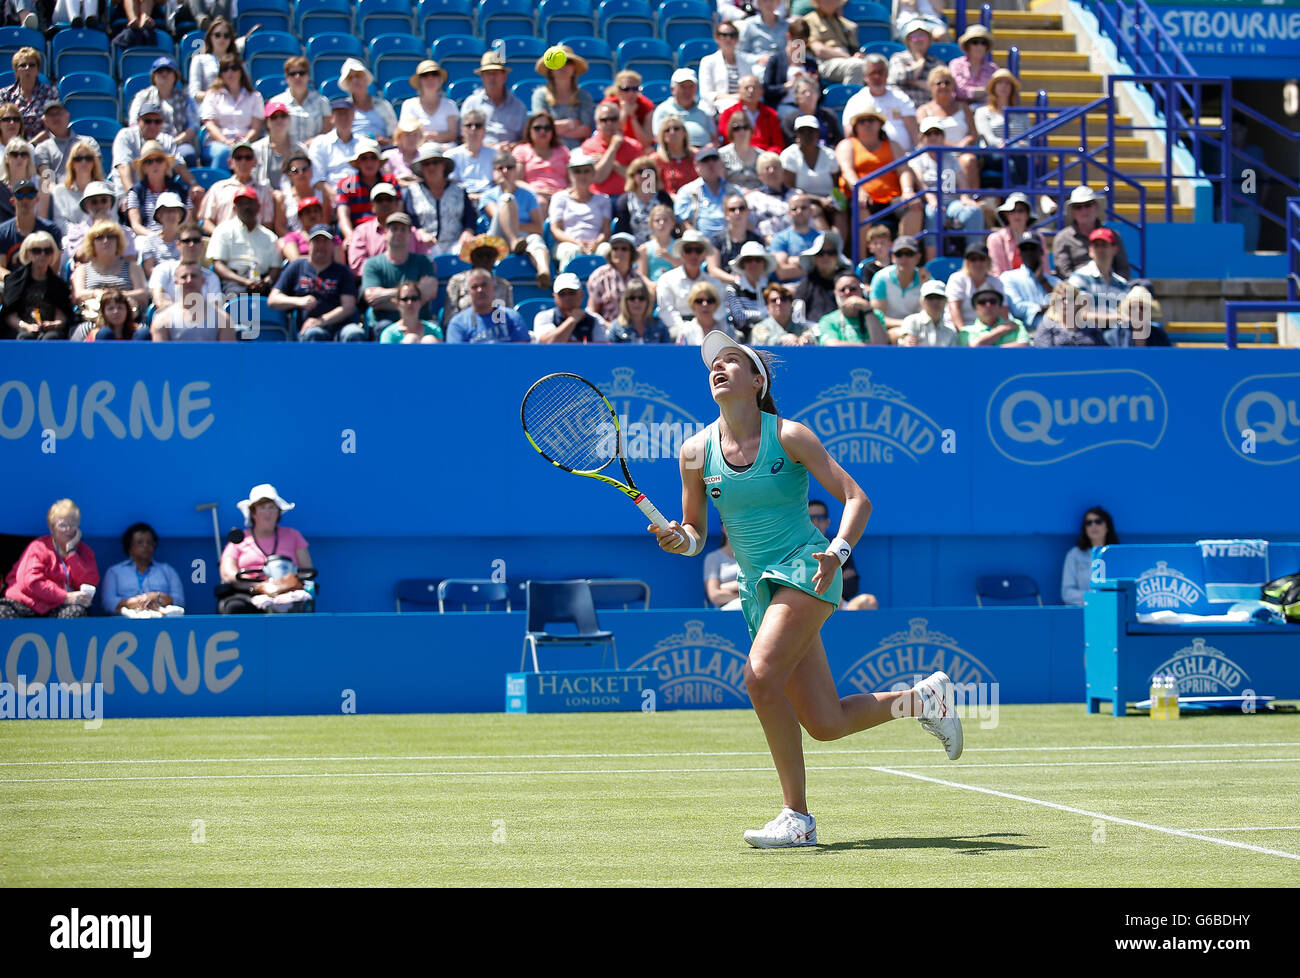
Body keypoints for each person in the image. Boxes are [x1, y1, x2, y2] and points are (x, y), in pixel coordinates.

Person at [650, 331, 961, 847]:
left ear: (756, 381)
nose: (719, 368)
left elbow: (857, 498)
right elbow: (694, 534)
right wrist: (676, 541)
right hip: (757, 590)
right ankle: (925, 699)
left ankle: (797, 818)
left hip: (805, 569)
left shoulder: (791, 435)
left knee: (759, 677)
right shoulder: (693, 452)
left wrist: (837, 552)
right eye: (713, 365)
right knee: (825, 721)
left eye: (732, 361)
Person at [836, 101, 921, 254]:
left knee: (914, 206)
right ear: (856, 126)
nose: (867, 124)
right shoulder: (847, 145)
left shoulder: (893, 146)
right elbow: (847, 170)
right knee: (860, 207)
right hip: (864, 199)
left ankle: (904, 256)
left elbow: (904, 171)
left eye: (871, 120)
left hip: (892, 199)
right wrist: (859, 190)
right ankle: (860, 263)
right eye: (862, 121)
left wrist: (908, 191)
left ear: (879, 124)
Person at [218, 484, 314, 615]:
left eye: (272, 507)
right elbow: (228, 573)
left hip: (288, 594)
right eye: (262, 507)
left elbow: (307, 571)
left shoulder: (294, 535)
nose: (268, 512)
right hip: (247, 594)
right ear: (253, 513)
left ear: (278, 512)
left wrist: (282, 585)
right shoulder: (239, 539)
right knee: (235, 607)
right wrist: (259, 587)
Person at [0, 499, 98, 619]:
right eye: (62, 525)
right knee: (3, 612)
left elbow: (90, 582)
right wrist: (65, 597)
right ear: (52, 528)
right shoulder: (38, 547)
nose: (68, 530)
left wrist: (72, 553)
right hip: (28, 602)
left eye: (72, 525)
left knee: (77, 613)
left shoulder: (84, 551)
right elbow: (30, 582)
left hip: (58, 607)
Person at [269, 225, 361, 341]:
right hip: (310, 329)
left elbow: (348, 307)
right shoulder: (297, 266)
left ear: (333, 245)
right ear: (309, 243)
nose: (321, 246)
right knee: (314, 334)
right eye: (317, 241)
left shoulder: (342, 271)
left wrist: (321, 321)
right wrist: (299, 301)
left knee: (354, 333)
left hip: (341, 327)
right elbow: (273, 299)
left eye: (326, 241)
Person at [360, 212, 440, 336]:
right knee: (383, 328)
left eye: (403, 229)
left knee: (433, 331)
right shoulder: (372, 264)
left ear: (410, 235)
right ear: (385, 233)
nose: (398, 233)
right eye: (394, 229)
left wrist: (388, 298)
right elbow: (372, 298)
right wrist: (414, 295)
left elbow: (430, 292)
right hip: (384, 322)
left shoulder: (424, 261)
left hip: (421, 321)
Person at [480, 150, 552, 288]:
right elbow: (499, 217)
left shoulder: (528, 195)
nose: (505, 171)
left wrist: (515, 226)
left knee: (536, 240)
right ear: (494, 171)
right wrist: (507, 191)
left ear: (516, 170)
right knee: (507, 199)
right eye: (500, 168)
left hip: (522, 237)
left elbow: (538, 228)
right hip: (497, 237)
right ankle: (514, 242)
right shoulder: (488, 195)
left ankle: (544, 271)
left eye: (510, 167)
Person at [402, 144, 476, 259]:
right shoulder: (412, 192)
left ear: (443, 165)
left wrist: (468, 231)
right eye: (426, 164)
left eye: (435, 162)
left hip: (456, 245)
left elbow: (470, 217)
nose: (431, 167)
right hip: (424, 246)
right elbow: (408, 218)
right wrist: (419, 232)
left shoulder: (459, 190)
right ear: (422, 168)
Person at [127, 56, 200, 169]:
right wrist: (150, 142)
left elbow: (193, 125)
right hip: (146, 142)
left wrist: (175, 141)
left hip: (177, 142)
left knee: (188, 153)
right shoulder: (142, 96)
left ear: (175, 76)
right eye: (160, 71)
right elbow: (133, 123)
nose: (164, 74)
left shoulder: (186, 98)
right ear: (153, 76)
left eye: (168, 70)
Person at [207, 186, 280, 297]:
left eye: (249, 203)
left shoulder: (270, 237)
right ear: (234, 208)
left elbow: (275, 268)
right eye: (241, 204)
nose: (246, 207)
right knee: (236, 300)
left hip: (262, 281)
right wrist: (244, 281)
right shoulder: (223, 231)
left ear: (258, 207)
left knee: (275, 300)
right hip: (234, 280)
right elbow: (218, 265)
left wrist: (266, 282)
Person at [915, 66, 979, 190]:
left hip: (962, 153)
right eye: (939, 83)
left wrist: (965, 143)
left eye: (947, 82)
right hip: (936, 155)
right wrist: (952, 147)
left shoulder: (963, 107)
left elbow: (973, 133)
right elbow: (925, 137)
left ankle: (971, 200)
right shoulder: (923, 110)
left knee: (969, 160)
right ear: (931, 87)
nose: (943, 86)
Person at [102, 522, 186, 616]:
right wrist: (136, 602)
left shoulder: (167, 571)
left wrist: (156, 597)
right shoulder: (114, 572)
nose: (145, 546)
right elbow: (108, 603)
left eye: (149, 542)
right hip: (125, 626)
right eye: (139, 542)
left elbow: (180, 601)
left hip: (163, 624)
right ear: (129, 546)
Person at [71, 220, 149, 320]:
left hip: (127, 320)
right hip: (92, 319)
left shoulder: (133, 267)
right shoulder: (82, 269)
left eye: (111, 236)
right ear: (92, 243)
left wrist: (116, 296)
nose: (105, 240)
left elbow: (143, 294)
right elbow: (78, 295)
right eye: (99, 237)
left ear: (118, 241)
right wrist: (96, 293)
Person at [841, 54, 919, 154]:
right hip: (870, 158)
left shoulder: (901, 98)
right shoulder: (856, 101)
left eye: (880, 72)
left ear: (887, 74)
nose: (877, 76)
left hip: (905, 156)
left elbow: (915, 134)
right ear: (865, 76)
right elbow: (849, 135)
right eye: (873, 73)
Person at [655, 228, 725, 338]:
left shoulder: (715, 283)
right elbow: (667, 311)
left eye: (698, 250)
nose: (693, 254)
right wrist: (688, 330)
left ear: (704, 254)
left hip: (709, 330)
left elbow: (719, 312)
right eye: (688, 250)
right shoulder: (667, 279)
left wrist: (704, 329)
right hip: (678, 330)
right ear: (681, 253)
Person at [1, 231, 71, 339]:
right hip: (21, 329)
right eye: (37, 251)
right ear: (28, 253)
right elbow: (9, 315)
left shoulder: (58, 284)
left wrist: (54, 324)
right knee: (25, 337)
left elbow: (61, 315)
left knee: (51, 338)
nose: (42, 255)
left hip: (49, 330)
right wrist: (26, 327)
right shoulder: (15, 280)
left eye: (47, 251)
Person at [549, 151, 611, 271]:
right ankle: (566, 288)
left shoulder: (603, 199)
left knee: (606, 249)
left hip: (596, 244)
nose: (582, 176)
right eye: (577, 171)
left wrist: (596, 243)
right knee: (572, 251)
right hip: (568, 244)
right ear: (570, 174)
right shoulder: (559, 197)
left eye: (586, 171)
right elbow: (555, 228)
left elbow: (606, 229)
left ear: (593, 173)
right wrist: (576, 242)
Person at [808, 498, 876, 609]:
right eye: (811, 518)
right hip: (807, 603)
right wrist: (836, 579)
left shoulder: (838, 547)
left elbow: (852, 586)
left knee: (869, 601)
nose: (815, 522)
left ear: (827, 522)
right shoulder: (797, 548)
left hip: (837, 604)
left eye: (820, 518)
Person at [1052, 185, 1131, 279]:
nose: (1084, 210)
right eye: (1078, 207)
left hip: (1110, 287)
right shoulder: (1062, 238)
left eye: (1088, 205)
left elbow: (1123, 269)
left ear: (1096, 207)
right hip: (1076, 289)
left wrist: (1113, 285)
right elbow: (1063, 271)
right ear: (1073, 212)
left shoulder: (1112, 235)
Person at [201, 55, 264, 172]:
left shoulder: (255, 97)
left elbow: (257, 126)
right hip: (218, 143)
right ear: (221, 74)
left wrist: (245, 142)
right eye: (225, 69)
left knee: (257, 152)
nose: (230, 72)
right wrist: (225, 141)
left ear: (241, 71)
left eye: (234, 68)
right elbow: (209, 124)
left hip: (247, 142)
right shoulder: (212, 95)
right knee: (223, 153)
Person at [1067, 227, 1130, 343]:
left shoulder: (1122, 284)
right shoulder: (1078, 278)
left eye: (1104, 245)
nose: (1100, 249)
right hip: (1088, 337)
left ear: (1115, 249)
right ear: (1090, 250)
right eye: (1096, 245)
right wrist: (1113, 318)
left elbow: (1127, 315)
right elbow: (1076, 315)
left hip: (1117, 336)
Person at [335, 139, 400, 247]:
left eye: (373, 158)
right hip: (358, 234)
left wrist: (391, 233)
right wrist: (350, 236)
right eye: (364, 158)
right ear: (358, 162)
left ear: (379, 161)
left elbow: (398, 210)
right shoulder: (347, 185)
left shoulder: (390, 181)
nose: (369, 163)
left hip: (388, 231)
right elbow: (343, 215)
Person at [151, 261, 238, 341]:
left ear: (203, 281)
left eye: (194, 276)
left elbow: (227, 355)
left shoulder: (223, 319)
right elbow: (161, 356)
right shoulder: (162, 320)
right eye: (184, 277)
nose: (189, 280)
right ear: (176, 282)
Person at [781, 115, 840, 232]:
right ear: (796, 134)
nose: (807, 135)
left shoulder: (829, 155)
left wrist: (832, 200)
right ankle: (828, 245)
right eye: (802, 131)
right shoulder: (789, 155)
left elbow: (835, 185)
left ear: (817, 134)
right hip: (804, 201)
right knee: (814, 210)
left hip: (829, 199)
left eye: (811, 131)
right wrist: (818, 200)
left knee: (841, 212)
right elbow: (789, 188)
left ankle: (838, 246)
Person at [460, 50, 527, 151]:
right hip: (479, 153)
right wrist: (491, 148)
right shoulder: (471, 104)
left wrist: (512, 146)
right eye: (488, 73)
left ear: (504, 76)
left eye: (495, 73)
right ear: (482, 77)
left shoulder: (519, 106)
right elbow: (463, 137)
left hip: (510, 156)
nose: (492, 77)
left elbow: (526, 139)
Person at [441, 234, 513, 326]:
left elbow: (509, 317)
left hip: (497, 334)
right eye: (480, 255)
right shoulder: (457, 281)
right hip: (465, 332)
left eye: (489, 255)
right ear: (472, 257)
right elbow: (450, 316)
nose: (485, 259)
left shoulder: (504, 285)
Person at [444, 267, 530, 343]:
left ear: (494, 288)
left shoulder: (512, 317)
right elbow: (456, 356)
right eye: (474, 287)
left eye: (484, 285)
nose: (480, 290)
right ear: (468, 292)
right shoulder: (458, 323)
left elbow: (522, 352)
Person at [532, 45, 594, 150]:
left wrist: (554, 129)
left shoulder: (584, 96)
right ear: (550, 69)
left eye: (567, 62)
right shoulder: (540, 95)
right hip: (549, 151)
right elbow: (542, 129)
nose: (562, 66)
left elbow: (586, 130)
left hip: (578, 152)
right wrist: (572, 123)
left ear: (574, 68)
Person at [344, 183, 413, 276]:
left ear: (397, 203)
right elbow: (357, 265)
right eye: (379, 200)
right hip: (373, 284)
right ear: (372, 206)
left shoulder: (411, 231)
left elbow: (422, 262)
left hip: (408, 283)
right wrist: (388, 272)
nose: (384, 203)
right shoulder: (361, 232)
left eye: (389, 199)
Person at [124, 141, 191, 237]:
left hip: (176, 238)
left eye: (159, 160)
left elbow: (188, 221)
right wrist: (156, 236)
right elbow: (136, 225)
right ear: (144, 168)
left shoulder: (181, 190)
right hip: (146, 239)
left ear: (166, 165)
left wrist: (170, 235)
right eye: (149, 162)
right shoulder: (135, 192)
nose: (155, 164)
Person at [149, 221, 219, 311]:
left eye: (196, 240)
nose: (191, 244)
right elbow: (159, 299)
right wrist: (183, 314)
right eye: (186, 241)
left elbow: (215, 309)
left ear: (202, 245)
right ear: (178, 245)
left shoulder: (211, 278)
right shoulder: (162, 269)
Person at [973, 68, 1027, 186]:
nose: (1004, 86)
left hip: (1017, 153)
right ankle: (1034, 195)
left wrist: (1020, 145)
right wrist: (1009, 144)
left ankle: (1017, 197)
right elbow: (988, 137)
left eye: (1007, 83)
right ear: (993, 87)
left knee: (1012, 162)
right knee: (1014, 157)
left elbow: (1028, 137)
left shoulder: (1021, 114)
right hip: (993, 152)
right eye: (1000, 82)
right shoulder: (982, 112)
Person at [761, 19, 821, 125]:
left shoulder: (810, 62)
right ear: (788, 36)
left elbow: (820, 94)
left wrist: (814, 84)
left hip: (809, 106)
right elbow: (766, 90)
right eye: (797, 41)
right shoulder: (776, 60)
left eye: (803, 42)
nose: (799, 46)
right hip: (784, 104)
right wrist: (787, 86)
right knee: (794, 118)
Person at [675, 147, 738, 246]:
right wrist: (704, 244)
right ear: (696, 166)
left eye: (714, 159)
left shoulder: (734, 191)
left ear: (721, 163)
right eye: (705, 160)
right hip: (699, 248)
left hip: (732, 244)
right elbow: (683, 224)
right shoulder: (687, 192)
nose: (711, 164)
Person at [869, 234, 927, 337]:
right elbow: (878, 317)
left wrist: (925, 285)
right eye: (899, 254)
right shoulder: (881, 278)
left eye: (909, 254)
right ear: (893, 257)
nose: (904, 258)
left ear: (918, 257)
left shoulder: (926, 279)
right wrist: (907, 325)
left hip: (921, 330)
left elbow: (932, 313)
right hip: (889, 330)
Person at [513, 112, 570, 215]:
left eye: (547, 128)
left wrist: (562, 194)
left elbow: (571, 180)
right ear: (529, 130)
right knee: (540, 203)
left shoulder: (563, 151)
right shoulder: (521, 150)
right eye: (537, 128)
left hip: (561, 195)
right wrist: (535, 190)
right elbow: (516, 180)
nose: (542, 131)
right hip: (533, 196)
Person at [582, 102, 643, 198]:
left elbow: (638, 179)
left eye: (613, 119)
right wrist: (613, 147)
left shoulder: (634, 146)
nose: (609, 123)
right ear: (597, 123)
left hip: (627, 198)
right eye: (604, 120)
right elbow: (598, 177)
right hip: (599, 200)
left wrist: (610, 162)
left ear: (619, 121)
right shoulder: (588, 146)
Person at [0, 176, 60, 273]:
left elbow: (53, 267)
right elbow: (1, 268)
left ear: (37, 199)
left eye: (30, 195)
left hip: (43, 283)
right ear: (12, 201)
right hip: (13, 284)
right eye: (20, 195)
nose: (25, 199)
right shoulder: (3, 232)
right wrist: (16, 282)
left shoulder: (51, 230)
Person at [1062, 507, 1118, 606]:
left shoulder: (1116, 554)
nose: (1093, 525)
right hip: (1081, 612)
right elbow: (1067, 593)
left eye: (1098, 521)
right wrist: (1094, 598)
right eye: (1089, 523)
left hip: (1110, 611)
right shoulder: (1074, 555)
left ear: (1107, 526)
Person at [700, 22, 759, 116]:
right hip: (716, 109)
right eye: (724, 35)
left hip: (743, 107)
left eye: (733, 35)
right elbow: (706, 93)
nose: (728, 39)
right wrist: (733, 97)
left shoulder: (745, 62)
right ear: (716, 38)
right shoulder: (708, 61)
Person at [651, 69, 717, 151]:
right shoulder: (663, 110)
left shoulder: (704, 110)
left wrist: (706, 151)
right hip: (674, 155)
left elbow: (715, 139)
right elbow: (660, 138)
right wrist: (691, 151)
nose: (687, 91)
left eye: (691, 86)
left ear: (696, 89)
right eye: (683, 86)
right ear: (672, 89)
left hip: (705, 156)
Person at [46, 138, 102, 235]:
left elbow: (111, 219)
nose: (83, 162)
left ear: (94, 163)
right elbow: (61, 224)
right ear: (72, 164)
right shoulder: (59, 192)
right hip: (71, 242)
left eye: (88, 158)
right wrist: (84, 234)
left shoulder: (105, 190)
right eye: (78, 159)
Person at [0, 47, 57, 141]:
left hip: (41, 147)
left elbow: (53, 127)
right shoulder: (5, 95)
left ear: (38, 70)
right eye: (23, 65)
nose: (27, 68)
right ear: (16, 71)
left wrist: (30, 146)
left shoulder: (50, 93)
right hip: (10, 146)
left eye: (32, 65)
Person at [534, 271, 609, 343]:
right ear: (554, 297)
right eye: (562, 294)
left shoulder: (595, 320)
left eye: (572, 293)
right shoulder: (544, 317)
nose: (567, 297)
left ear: (582, 295)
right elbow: (547, 344)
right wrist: (572, 319)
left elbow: (600, 350)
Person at [612, 156, 671, 247]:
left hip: (662, 245)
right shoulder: (624, 201)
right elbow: (623, 230)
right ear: (633, 176)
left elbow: (671, 223)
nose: (646, 175)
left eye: (649, 171)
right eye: (640, 172)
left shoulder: (663, 197)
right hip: (634, 247)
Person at [585, 232, 644, 323]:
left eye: (624, 249)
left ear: (631, 253)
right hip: (606, 329)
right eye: (615, 249)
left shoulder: (637, 277)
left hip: (632, 329)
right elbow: (593, 311)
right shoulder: (599, 276)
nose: (619, 252)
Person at [887, 18, 945, 109]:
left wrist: (912, 81)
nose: (919, 40)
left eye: (923, 36)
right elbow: (899, 77)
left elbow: (942, 87)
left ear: (929, 40)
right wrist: (920, 63)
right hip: (901, 109)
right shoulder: (898, 58)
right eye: (914, 37)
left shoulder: (936, 62)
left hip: (929, 110)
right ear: (908, 41)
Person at [275, 56, 332, 149]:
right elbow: (273, 132)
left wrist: (307, 146)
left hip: (315, 152)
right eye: (292, 74)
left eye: (302, 73)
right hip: (286, 153)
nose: (297, 77)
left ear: (308, 76)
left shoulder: (322, 102)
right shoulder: (277, 102)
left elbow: (327, 132)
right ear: (286, 78)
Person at [816, 273, 889, 345]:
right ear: (835, 293)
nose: (847, 292)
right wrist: (868, 346)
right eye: (842, 290)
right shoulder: (827, 320)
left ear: (861, 290)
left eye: (853, 289)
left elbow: (880, 345)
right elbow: (832, 346)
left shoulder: (876, 314)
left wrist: (868, 310)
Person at [945, 240, 1004, 328]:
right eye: (973, 259)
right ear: (966, 262)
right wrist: (964, 333)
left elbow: (1003, 310)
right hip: (957, 330)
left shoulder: (996, 282)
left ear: (988, 261)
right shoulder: (957, 279)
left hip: (988, 331)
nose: (978, 263)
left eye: (981, 259)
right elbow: (954, 308)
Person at [804, 0, 866, 85]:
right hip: (825, 61)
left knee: (874, 65)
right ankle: (850, 97)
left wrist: (857, 55)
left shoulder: (847, 24)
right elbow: (819, 50)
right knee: (857, 65)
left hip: (847, 60)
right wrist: (848, 57)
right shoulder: (810, 20)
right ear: (818, 2)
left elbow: (854, 48)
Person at [1032, 281, 1109, 348]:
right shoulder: (1047, 327)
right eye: (1062, 299)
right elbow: (1043, 357)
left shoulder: (1091, 327)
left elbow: (1103, 354)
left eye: (1070, 299)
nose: (1066, 302)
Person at [794, 230, 850, 323]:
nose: (826, 257)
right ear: (814, 258)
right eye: (820, 253)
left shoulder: (849, 281)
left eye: (831, 252)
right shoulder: (807, 284)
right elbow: (797, 316)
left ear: (837, 257)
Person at [725, 240, 777, 339]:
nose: (754, 264)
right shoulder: (733, 289)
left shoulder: (772, 287)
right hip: (744, 338)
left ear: (764, 263)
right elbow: (739, 317)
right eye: (749, 260)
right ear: (743, 264)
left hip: (771, 335)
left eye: (758, 260)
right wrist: (765, 313)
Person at [399, 60, 457, 149]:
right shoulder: (409, 105)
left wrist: (429, 136)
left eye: (434, 74)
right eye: (425, 75)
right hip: (418, 150)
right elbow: (407, 133)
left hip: (446, 150)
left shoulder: (450, 105)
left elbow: (452, 135)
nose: (430, 78)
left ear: (440, 79)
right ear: (419, 81)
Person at [708, 193, 764, 284]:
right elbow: (713, 270)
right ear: (726, 214)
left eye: (741, 208)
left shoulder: (757, 240)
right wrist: (737, 280)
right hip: (724, 287)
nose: (737, 212)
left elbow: (763, 268)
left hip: (752, 288)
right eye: (732, 209)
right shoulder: (716, 240)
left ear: (748, 212)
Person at [309, 99, 363, 193]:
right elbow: (317, 179)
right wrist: (338, 198)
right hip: (331, 197)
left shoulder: (363, 142)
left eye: (346, 113)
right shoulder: (320, 143)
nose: (343, 117)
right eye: (339, 114)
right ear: (331, 118)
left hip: (360, 196)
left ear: (354, 116)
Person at [339, 60, 396, 147]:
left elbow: (395, 136)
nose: (355, 80)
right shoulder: (343, 109)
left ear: (366, 78)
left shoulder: (384, 105)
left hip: (381, 151)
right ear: (347, 84)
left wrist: (386, 141)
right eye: (350, 78)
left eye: (358, 75)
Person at [252, 101, 302, 195]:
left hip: (294, 197)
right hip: (264, 198)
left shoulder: (300, 149)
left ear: (289, 119)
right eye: (274, 117)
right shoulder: (256, 149)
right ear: (267, 123)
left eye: (283, 116)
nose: (279, 120)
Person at [769, 192, 821, 280]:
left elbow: (831, 267)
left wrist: (791, 260)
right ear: (789, 213)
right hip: (789, 289)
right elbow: (782, 272)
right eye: (794, 208)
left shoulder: (822, 237)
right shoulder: (780, 238)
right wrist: (815, 265)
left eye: (803, 208)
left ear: (811, 211)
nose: (799, 211)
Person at [987, 192, 1040, 276]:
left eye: (1021, 210)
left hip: (1033, 285)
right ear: (1006, 215)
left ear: (1027, 214)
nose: (1016, 214)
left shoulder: (1038, 237)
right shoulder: (996, 239)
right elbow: (997, 272)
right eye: (1011, 211)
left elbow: (1044, 269)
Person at [187, 18, 239, 104]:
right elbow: (194, 93)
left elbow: (245, 91)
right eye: (217, 35)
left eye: (226, 36)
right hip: (207, 109)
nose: (222, 39)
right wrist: (214, 97)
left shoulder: (238, 62)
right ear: (210, 37)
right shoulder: (199, 60)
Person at [136, 191, 186, 278]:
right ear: (159, 215)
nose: (171, 215)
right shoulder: (150, 241)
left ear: (180, 215)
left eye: (175, 211)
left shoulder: (186, 239)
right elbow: (149, 270)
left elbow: (187, 265)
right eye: (168, 211)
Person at [446, 110, 495, 200]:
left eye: (478, 126)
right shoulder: (451, 155)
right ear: (462, 130)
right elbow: (451, 185)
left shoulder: (495, 155)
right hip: (460, 199)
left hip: (489, 199)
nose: (473, 129)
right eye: (469, 125)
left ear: (484, 130)